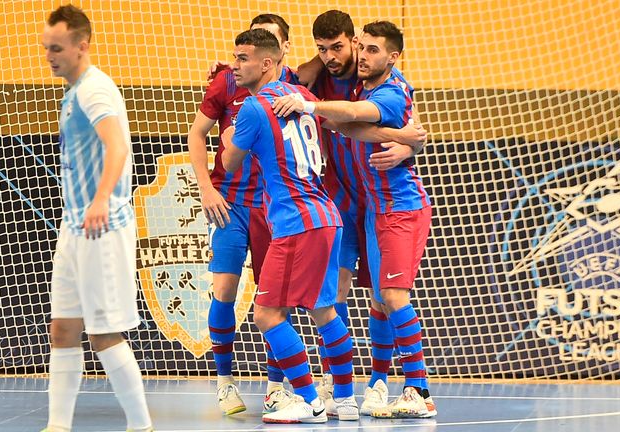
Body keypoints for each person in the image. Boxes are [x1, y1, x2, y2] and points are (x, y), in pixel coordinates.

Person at [272, 20, 437, 419]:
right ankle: (338, 381)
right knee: (344, 291)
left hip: (394, 204)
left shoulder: (387, 89)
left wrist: (407, 141)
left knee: (390, 297)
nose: (353, 57)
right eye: (362, 49)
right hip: (348, 203)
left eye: (356, 49)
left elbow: (355, 116)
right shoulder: (339, 78)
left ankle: (403, 385)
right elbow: (283, 77)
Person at [220, 28, 358, 424]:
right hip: (327, 217)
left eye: (242, 58)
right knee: (323, 310)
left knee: (266, 314)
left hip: (296, 222)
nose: (235, 65)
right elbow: (342, 124)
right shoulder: (304, 99)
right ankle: (344, 400)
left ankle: (310, 399)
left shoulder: (251, 108)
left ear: (267, 63)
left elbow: (229, 164)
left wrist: (229, 134)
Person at [39, 5, 152, 432]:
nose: (49, 56)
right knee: (63, 329)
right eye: (45, 48)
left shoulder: (94, 90)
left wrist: (102, 199)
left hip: (103, 227)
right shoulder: (73, 92)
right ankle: (57, 426)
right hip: (74, 227)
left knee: (103, 334)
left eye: (57, 48)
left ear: (81, 46)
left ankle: (141, 426)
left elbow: (118, 146)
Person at [186, 14, 300, 416]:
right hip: (230, 204)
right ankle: (223, 382)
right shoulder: (226, 81)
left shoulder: (296, 89)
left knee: (275, 303)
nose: (245, 57)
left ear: (279, 50)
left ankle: (275, 387)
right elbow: (197, 134)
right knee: (224, 290)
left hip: (273, 208)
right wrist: (206, 188)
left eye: (266, 42)